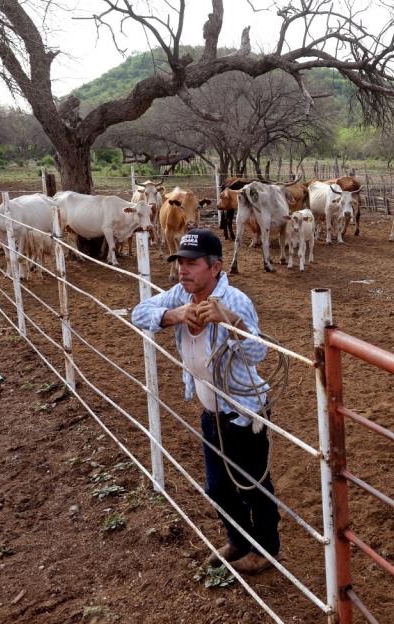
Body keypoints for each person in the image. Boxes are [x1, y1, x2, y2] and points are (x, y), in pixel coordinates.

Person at [131, 229, 280, 574]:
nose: (183, 270)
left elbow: (259, 353)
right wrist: (175, 315)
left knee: (253, 484)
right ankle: (241, 540)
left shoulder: (237, 301)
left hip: (243, 410)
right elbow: (138, 312)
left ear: (214, 268)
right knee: (217, 487)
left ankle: (267, 550)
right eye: (180, 262)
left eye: (192, 263)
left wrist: (231, 320)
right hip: (211, 409)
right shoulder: (180, 295)